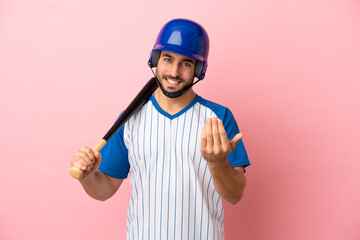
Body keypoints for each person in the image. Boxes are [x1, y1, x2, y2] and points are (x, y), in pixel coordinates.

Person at [71, 18, 250, 240]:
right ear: (156, 59)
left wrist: (218, 162)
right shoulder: (130, 119)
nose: (174, 72)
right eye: (167, 59)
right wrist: (88, 177)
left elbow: (234, 195)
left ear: (198, 68)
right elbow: (105, 189)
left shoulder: (219, 118)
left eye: (186, 63)